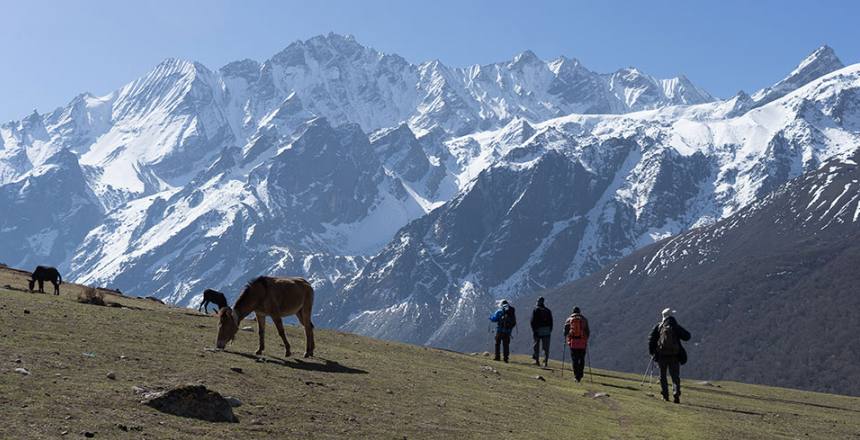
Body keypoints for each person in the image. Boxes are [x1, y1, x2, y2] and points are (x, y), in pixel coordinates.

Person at [648, 308, 692, 404]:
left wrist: (653, 353)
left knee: (662, 376)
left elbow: (651, 340)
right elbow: (687, 336)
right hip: (674, 356)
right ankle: (676, 394)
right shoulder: (675, 327)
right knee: (675, 376)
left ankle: (665, 396)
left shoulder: (659, 326)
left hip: (662, 356)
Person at [564, 307, 590, 382]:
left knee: (574, 359)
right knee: (581, 358)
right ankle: (580, 374)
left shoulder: (569, 319)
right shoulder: (584, 319)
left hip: (573, 342)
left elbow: (565, 331)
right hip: (582, 342)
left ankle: (576, 376)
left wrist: (566, 338)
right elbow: (587, 331)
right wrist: (586, 339)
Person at [530, 297, 553, 366]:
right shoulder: (548, 311)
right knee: (546, 347)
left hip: (537, 331)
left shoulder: (536, 309)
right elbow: (551, 322)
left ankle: (537, 361)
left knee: (536, 346)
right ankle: (545, 362)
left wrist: (534, 330)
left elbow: (532, 321)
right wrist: (549, 330)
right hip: (547, 331)